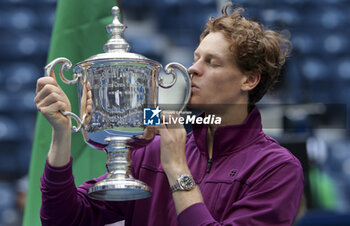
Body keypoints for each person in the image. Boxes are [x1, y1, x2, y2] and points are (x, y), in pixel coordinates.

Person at [34, 3, 304, 226]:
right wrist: (60, 134)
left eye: (212, 62)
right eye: (196, 58)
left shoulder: (276, 169)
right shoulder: (149, 152)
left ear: (249, 80)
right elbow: (62, 218)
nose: (192, 69)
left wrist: (176, 168)